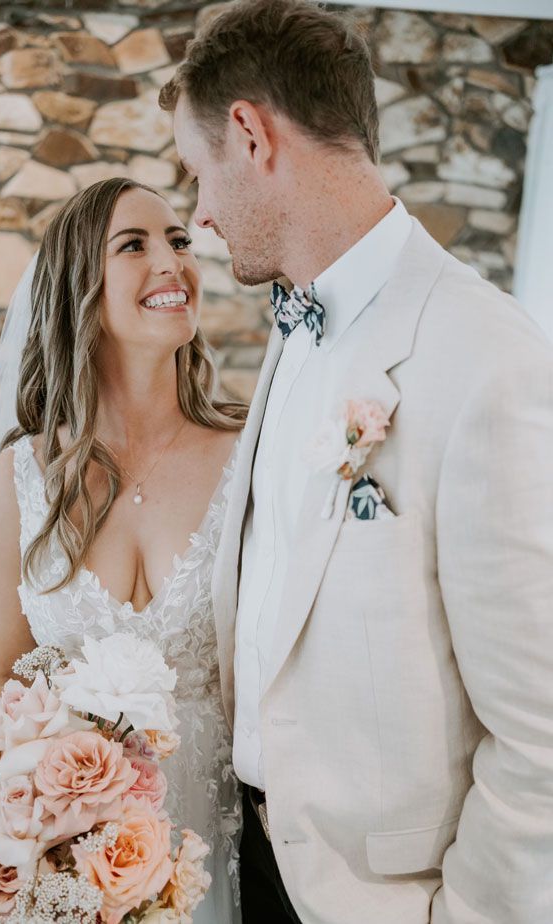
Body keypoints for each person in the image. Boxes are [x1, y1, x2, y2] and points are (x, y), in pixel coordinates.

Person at [160, 1, 553, 922]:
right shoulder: (296, 330)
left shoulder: (487, 359)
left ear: (251, 135)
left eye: (197, 174)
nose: (202, 215)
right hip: (250, 866)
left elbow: (542, 730)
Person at [0, 178, 245, 923]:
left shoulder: (249, 455)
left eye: (179, 239)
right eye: (134, 245)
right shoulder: (20, 481)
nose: (172, 261)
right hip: (78, 881)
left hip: (234, 853)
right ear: (81, 284)